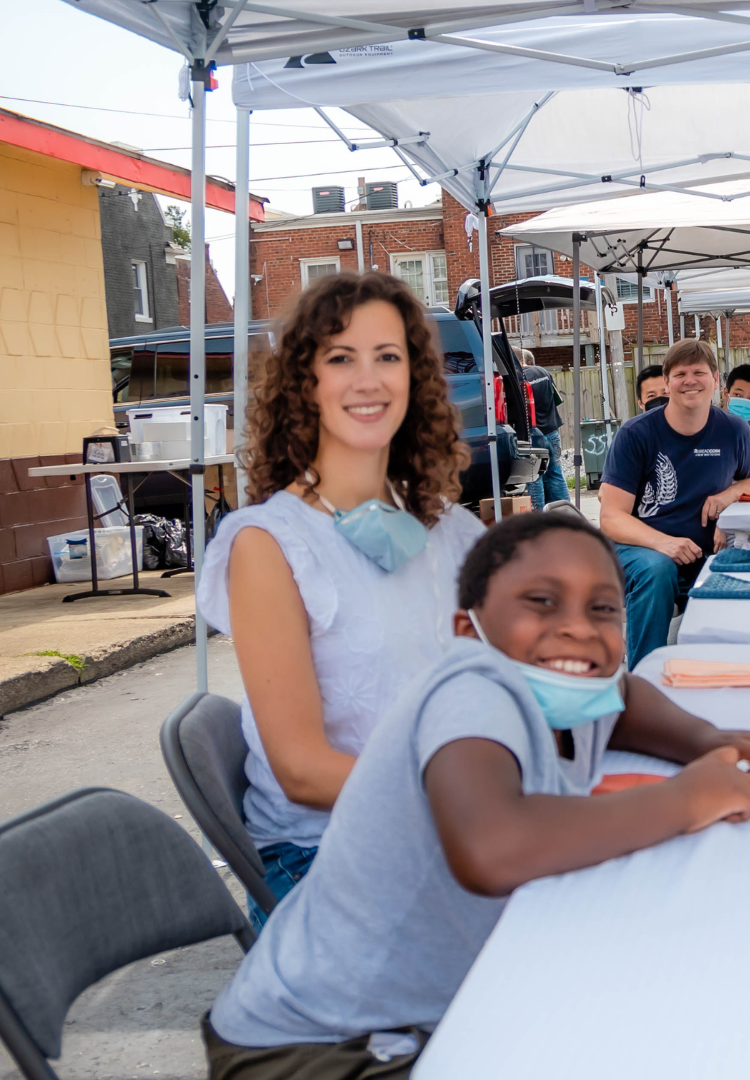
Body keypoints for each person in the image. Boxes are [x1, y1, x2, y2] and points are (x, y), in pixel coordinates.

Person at [202, 512, 750, 1079]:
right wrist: (685, 799)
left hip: (421, 1009)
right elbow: (495, 848)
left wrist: (706, 739)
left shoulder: (566, 687)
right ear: (468, 631)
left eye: (602, 608)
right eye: (541, 602)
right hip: (319, 1046)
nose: (577, 627)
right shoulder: (473, 690)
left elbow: (624, 698)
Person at [200, 272, 484, 929]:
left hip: (446, 824)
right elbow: (300, 769)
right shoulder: (268, 544)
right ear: (305, 382)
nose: (368, 380)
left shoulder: (451, 530)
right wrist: (466, 798)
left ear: (415, 378)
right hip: (324, 857)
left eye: (388, 356)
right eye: (340, 358)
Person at [600, 339, 750, 667]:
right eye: (679, 374)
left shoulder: (733, 430)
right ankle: (644, 678)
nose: (690, 380)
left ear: (716, 380)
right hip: (638, 548)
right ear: (666, 383)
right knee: (657, 569)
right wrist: (665, 544)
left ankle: (716, 674)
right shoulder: (636, 434)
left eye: (699, 372)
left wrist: (727, 497)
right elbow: (611, 518)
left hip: (704, 550)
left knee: (744, 566)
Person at [516, 351, 569, 509]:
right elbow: (556, 399)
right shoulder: (543, 372)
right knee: (555, 472)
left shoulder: (519, 378)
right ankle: (565, 512)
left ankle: (538, 516)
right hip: (552, 431)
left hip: (533, 435)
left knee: (534, 476)